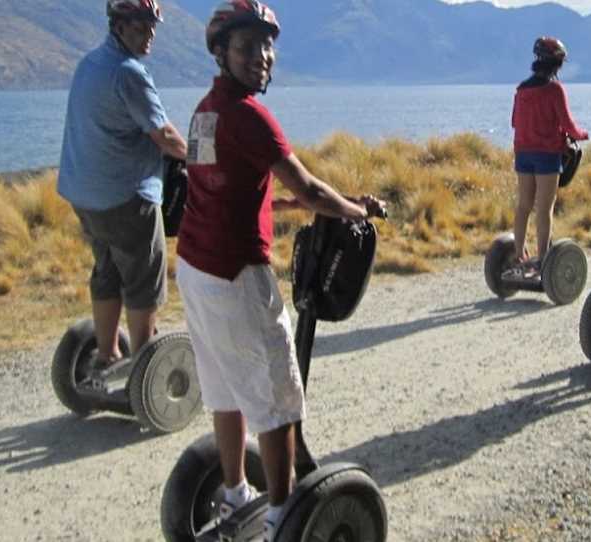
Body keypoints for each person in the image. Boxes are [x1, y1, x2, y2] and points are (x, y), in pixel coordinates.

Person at [175, 2, 383, 540]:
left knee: (223, 388)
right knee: (277, 399)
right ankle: (279, 518)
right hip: (236, 275)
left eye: (267, 46)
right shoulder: (248, 114)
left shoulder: (204, 111)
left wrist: (324, 205)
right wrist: (356, 211)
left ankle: (235, 493)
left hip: (196, 271)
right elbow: (307, 186)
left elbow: (229, 188)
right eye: (248, 47)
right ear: (221, 52)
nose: (262, 56)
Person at [57, 0, 188, 369]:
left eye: (152, 26)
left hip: (83, 194)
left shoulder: (90, 63)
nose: (149, 34)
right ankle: (143, 366)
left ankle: (107, 352)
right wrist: (202, 156)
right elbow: (162, 134)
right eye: (141, 26)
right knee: (144, 277)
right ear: (119, 26)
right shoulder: (128, 72)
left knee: (108, 270)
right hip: (126, 194)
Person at [509, 36, 589, 277]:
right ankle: (543, 259)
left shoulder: (522, 89)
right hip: (546, 156)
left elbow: (514, 121)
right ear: (557, 64)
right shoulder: (554, 89)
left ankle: (518, 255)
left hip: (523, 154)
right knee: (544, 209)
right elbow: (568, 124)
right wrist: (582, 134)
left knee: (524, 206)